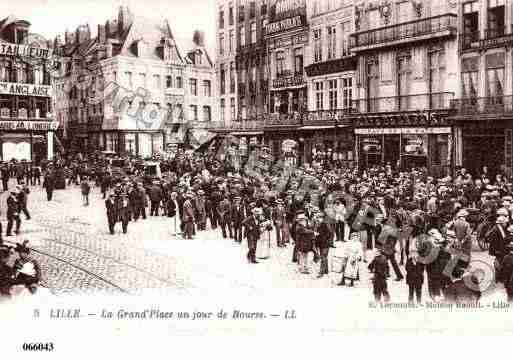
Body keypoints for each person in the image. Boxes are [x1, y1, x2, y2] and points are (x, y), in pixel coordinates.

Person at [314, 212, 332, 278]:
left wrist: (320, 235)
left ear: (323, 218)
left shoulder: (326, 224)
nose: (318, 219)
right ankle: (326, 270)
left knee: (323, 257)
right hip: (321, 243)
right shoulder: (318, 224)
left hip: (325, 244)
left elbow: (329, 234)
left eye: (320, 218)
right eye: (318, 218)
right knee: (324, 257)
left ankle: (321, 272)